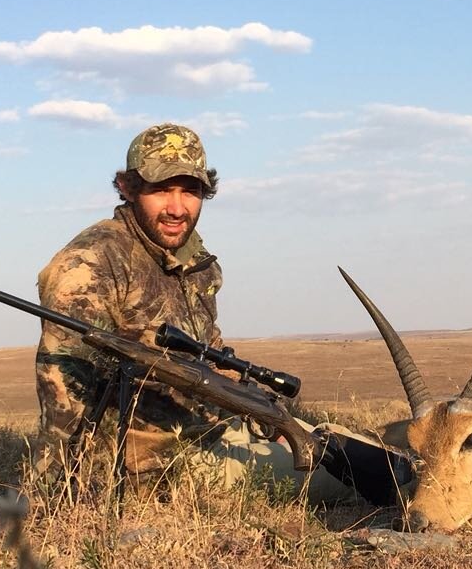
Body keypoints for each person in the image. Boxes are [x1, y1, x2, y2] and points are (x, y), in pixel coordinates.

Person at [34, 122, 407, 503]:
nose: (177, 208)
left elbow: (210, 357)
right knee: (365, 479)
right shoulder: (88, 263)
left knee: (339, 442)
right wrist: (56, 489)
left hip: (214, 432)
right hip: (157, 465)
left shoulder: (194, 259)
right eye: (162, 189)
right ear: (129, 188)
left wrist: (261, 413)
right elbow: (64, 383)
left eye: (190, 191)